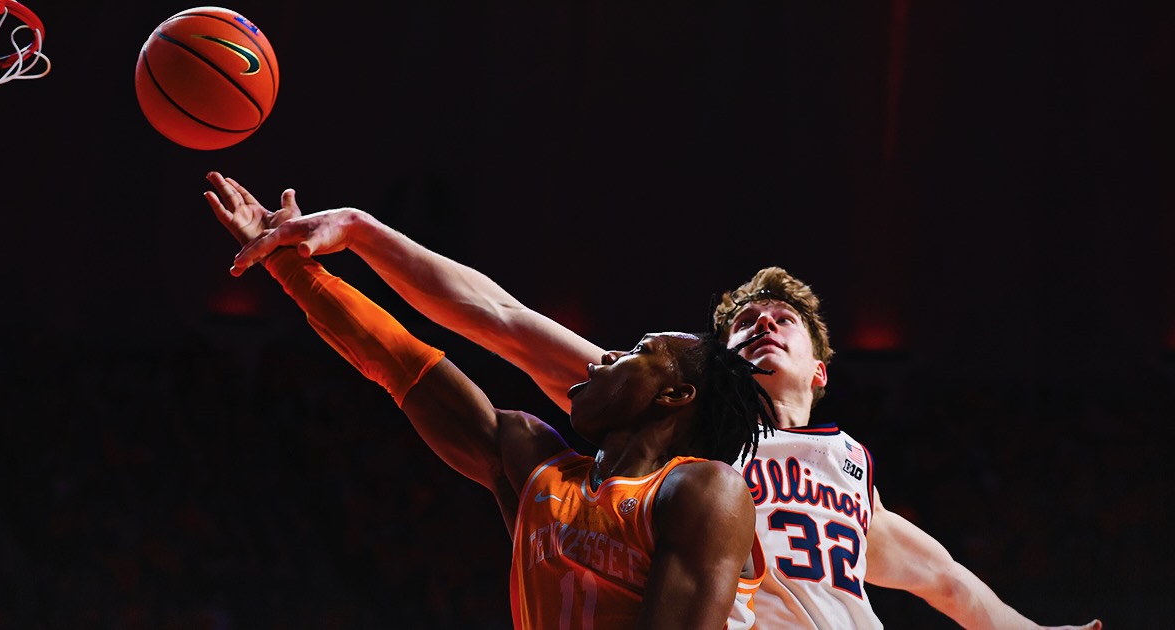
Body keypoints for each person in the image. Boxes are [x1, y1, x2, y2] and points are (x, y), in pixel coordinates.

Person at [207, 172, 1102, 630]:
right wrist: (356, 233)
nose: (760, 323)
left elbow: (947, 582)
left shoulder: (844, 470)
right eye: (741, 319)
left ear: (821, 370)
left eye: (782, 318)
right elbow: (498, 319)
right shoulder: (668, 415)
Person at [204, 172, 781, 629]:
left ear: (675, 394)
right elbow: (401, 363)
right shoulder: (535, 463)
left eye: (636, 350)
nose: (603, 358)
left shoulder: (706, 490)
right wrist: (285, 264)